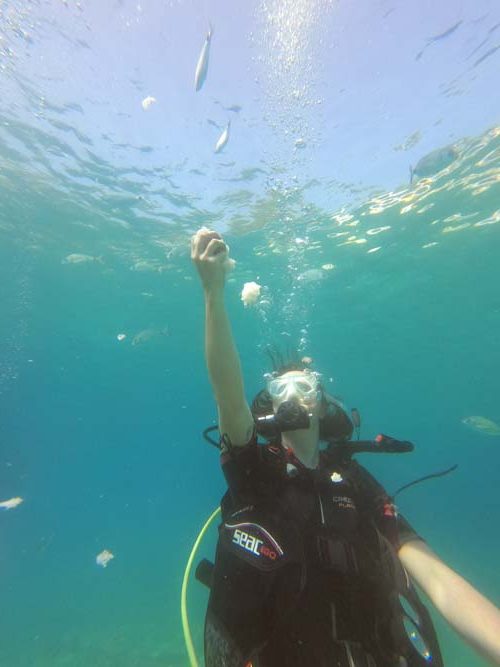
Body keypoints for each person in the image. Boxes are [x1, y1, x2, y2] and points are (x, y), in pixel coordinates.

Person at [191, 227, 500, 667]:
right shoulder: (254, 471)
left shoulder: (356, 483)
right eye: (281, 388)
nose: (294, 397)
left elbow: (438, 580)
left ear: (321, 403)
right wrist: (213, 294)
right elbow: (227, 394)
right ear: (269, 404)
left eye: (305, 387)